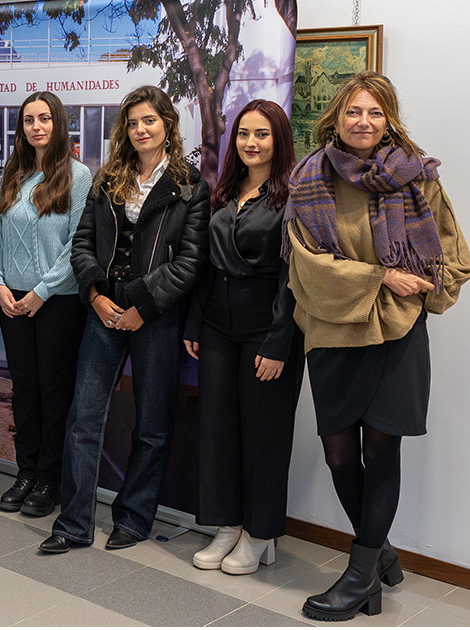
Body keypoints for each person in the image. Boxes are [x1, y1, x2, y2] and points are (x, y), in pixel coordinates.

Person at [286, 71, 470, 622]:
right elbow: (305, 265)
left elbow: (454, 257)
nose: (363, 122)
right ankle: (380, 548)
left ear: (388, 119)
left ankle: (360, 573)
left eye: (375, 113)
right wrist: (379, 277)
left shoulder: (418, 180)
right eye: (353, 112)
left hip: (397, 336)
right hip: (333, 331)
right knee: (339, 453)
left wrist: (422, 285)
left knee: (381, 451)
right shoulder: (308, 178)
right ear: (336, 118)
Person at [40, 85, 209, 554]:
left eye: (149, 121)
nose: (140, 130)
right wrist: (93, 294)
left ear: (167, 125)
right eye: (132, 123)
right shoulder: (106, 178)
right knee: (83, 418)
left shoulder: (190, 186)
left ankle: (134, 518)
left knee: (152, 426)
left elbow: (191, 262)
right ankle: (73, 524)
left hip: (155, 316)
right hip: (103, 310)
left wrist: (143, 306)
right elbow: (82, 243)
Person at [183, 100, 305, 575]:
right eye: (243, 134)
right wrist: (195, 324)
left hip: (267, 328)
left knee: (264, 435)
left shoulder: (295, 196)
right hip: (216, 325)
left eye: (262, 134)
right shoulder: (224, 191)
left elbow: (295, 276)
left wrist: (279, 341)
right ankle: (227, 526)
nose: (250, 143)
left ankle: (261, 533)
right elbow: (208, 266)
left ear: (279, 140)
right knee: (218, 429)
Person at [0, 91, 93, 517]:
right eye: (29, 120)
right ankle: (25, 472)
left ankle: (50, 480)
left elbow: (77, 246)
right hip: (11, 303)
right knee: (24, 392)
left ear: (58, 123)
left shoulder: (79, 175)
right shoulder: (10, 175)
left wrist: (40, 293)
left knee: (54, 394)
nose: (37, 126)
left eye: (45, 118)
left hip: (57, 304)